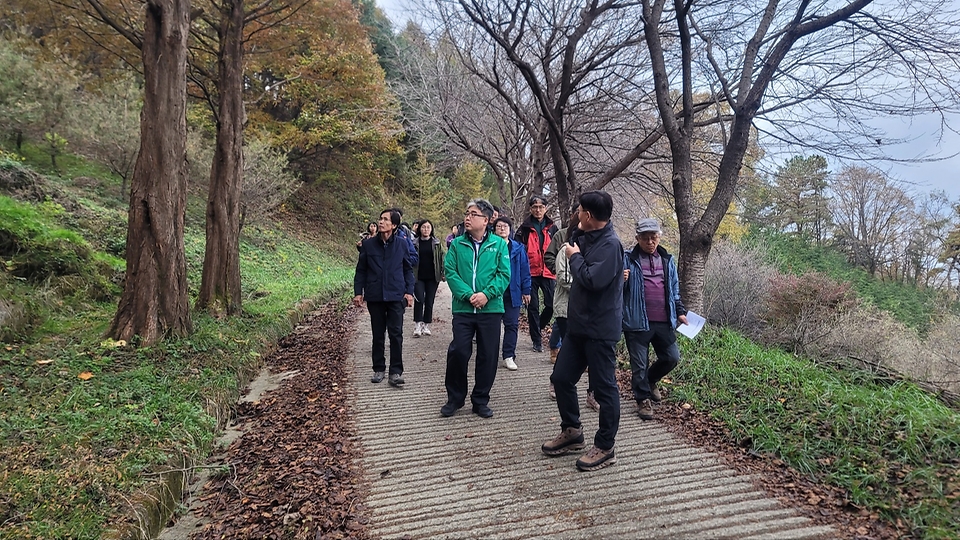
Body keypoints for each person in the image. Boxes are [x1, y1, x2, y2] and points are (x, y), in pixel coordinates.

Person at [541, 191, 624, 472]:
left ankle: (605, 445)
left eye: (579, 210)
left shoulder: (612, 245)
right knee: (562, 378)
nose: (576, 213)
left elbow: (591, 279)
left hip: (600, 330)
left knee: (604, 388)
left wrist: (574, 257)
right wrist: (576, 241)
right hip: (578, 327)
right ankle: (572, 431)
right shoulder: (584, 236)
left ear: (588, 215)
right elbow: (574, 250)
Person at [441, 198, 511, 419]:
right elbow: (450, 272)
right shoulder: (457, 245)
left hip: (490, 309)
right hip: (463, 309)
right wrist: (468, 295)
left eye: (473, 214)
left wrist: (486, 294)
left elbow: (504, 274)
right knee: (459, 351)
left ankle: (480, 400)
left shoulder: (499, 244)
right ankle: (455, 398)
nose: (468, 217)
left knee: (488, 355)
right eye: (467, 213)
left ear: (487, 220)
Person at [622, 218, 688, 421]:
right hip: (636, 321)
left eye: (654, 238)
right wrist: (619, 279)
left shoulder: (668, 259)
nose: (650, 242)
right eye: (645, 238)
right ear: (637, 239)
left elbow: (674, 289)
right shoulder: (627, 259)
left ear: (659, 237)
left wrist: (679, 311)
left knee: (671, 357)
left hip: (663, 319)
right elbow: (614, 289)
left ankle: (651, 381)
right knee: (639, 365)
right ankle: (643, 399)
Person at [354, 209, 415, 387]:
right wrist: (358, 292)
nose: (380, 222)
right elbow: (361, 270)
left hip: (396, 295)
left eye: (385, 219)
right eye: (380, 219)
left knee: (396, 334)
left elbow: (407, 270)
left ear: (394, 225)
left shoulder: (402, 245)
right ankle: (378, 368)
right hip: (375, 295)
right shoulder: (368, 245)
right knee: (378, 334)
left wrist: (409, 292)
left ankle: (395, 372)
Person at [515, 195, 558, 352]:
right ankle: (536, 340)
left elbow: (559, 248)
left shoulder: (552, 227)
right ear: (530, 209)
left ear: (546, 208)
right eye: (534, 207)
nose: (538, 210)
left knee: (551, 305)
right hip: (530, 272)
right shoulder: (524, 228)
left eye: (541, 207)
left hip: (548, 271)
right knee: (532, 306)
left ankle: (537, 327)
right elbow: (517, 250)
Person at [493, 216, 531, 371]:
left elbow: (524, 270)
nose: (502, 229)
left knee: (512, 325)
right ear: (493, 230)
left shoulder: (518, 248)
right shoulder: (489, 247)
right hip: (493, 293)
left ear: (510, 229)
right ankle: (490, 355)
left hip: (512, 292)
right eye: (499, 226)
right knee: (492, 326)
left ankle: (508, 355)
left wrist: (526, 290)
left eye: (505, 226)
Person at [413, 219, 445, 337]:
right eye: (423, 227)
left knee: (429, 301)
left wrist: (443, 272)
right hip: (418, 276)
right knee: (419, 299)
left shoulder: (436, 243)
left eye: (428, 227)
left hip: (432, 276)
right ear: (419, 229)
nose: (426, 230)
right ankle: (417, 324)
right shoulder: (414, 243)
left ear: (431, 229)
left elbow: (442, 258)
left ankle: (426, 325)